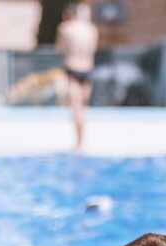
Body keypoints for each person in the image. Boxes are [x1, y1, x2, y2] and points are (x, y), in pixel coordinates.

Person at [55, 3, 99, 151]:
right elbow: (93, 49)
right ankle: (82, 141)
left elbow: (60, 48)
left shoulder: (65, 28)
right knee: (83, 109)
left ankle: (79, 144)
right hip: (88, 69)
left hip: (72, 69)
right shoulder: (92, 30)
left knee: (76, 109)